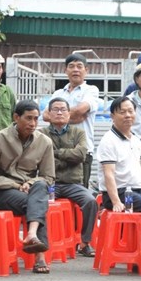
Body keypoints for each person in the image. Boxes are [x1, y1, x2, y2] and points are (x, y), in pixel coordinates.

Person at [0, 100, 55, 274]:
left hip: (31, 190)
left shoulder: (45, 142)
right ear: (16, 117)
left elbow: (48, 176)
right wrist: (14, 184)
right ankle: (39, 254)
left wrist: (30, 183)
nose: (33, 123)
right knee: (37, 203)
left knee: (40, 187)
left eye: (36, 119)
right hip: (2, 192)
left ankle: (32, 235)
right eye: (28, 118)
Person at [39, 98, 99, 257]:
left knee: (90, 201)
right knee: (37, 201)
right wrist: (68, 156)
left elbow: (80, 155)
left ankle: (85, 242)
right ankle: (42, 242)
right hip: (50, 183)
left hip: (73, 184)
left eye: (63, 109)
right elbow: (41, 157)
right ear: (49, 114)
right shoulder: (41, 133)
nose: (59, 112)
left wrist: (55, 154)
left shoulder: (78, 132)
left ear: (69, 113)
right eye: (55, 109)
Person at [97, 97, 141, 250]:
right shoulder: (108, 141)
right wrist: (116, 201)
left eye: (131, 111)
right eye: (122, 112)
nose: (127, 115)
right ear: (112, 116)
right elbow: (108, 175)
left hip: (139, 192)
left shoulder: (136, 140)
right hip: (120, 192)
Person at [43, 53, 99, 189]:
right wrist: (74, 117)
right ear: (65, 70)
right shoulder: (58, 93)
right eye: (71, 66)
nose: (75, 70)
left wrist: (58, 117)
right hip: (55, 151)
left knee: (81, 191)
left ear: (86, 70)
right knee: (52, 189)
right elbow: (45, 115)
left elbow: (82, 109)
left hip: (80, 151)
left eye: (80, 66)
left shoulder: (91, 90)